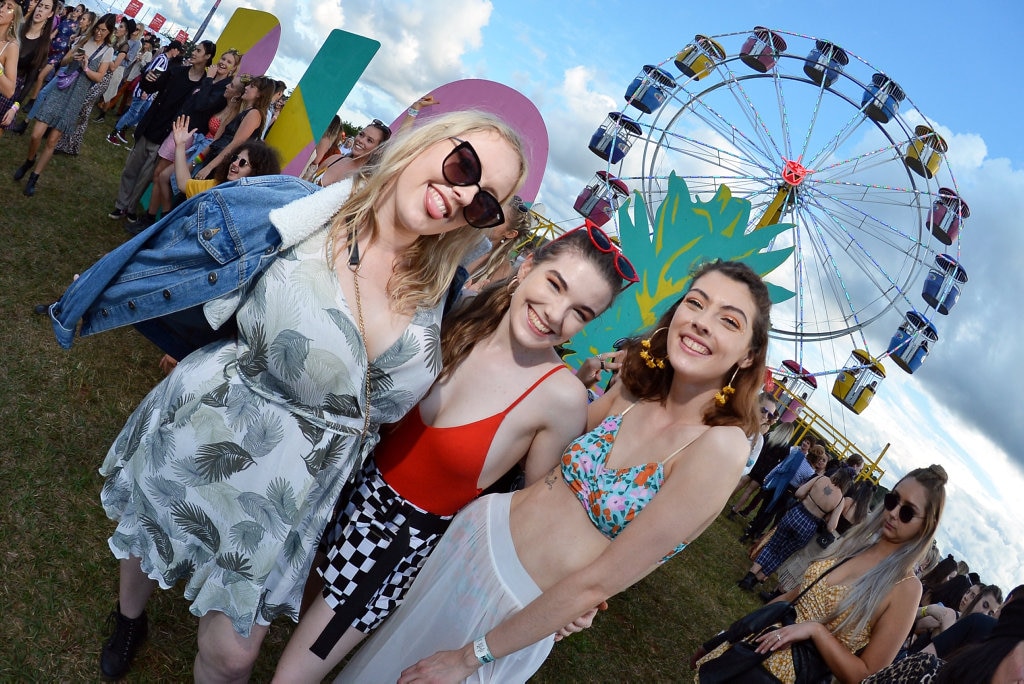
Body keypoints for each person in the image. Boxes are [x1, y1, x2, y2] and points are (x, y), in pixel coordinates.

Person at [95, 111, 527, 682]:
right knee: (151, 536)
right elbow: (193, 262)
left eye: (483, 201)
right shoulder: (299, 211)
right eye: (463, 164)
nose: (461, 192)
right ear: (426, 142)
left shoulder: (440, 286)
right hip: (212, 419)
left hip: (296, 487)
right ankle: (130, 618)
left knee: (233, 655)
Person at [335, 259, 773, 683]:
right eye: (695, 303)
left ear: (750, 356)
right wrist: (578, 380)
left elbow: (602, 580)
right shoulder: (635, 395)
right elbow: (553, 439)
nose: (701, 321)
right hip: (469, 541)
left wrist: (471, 657)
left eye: (729, 321)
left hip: (512, 613)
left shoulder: (719, 445)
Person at [272, 225, 635, 681]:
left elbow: (539, 511)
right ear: (527, 267)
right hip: (339, 491)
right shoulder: (458, 316)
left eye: (580, 312)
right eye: (554, 284)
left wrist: (567, 598)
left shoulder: (559, 398)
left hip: (389, 546)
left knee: (292, 674)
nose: (555, 314)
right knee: (295, 627)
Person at [696, 464, 948, 683]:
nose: (893, 513)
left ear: (926, 525)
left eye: (907, 512)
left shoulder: (906, 587)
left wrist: (816, 631)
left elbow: (867, 674)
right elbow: (791, 597)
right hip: (751, 649)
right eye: (893, 500)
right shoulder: (856, 544)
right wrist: (730, 635)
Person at [107, 39, 220, 225]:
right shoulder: (176, 71)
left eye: (198, 50)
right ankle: (121, 205)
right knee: (132, 168)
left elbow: (202, 107)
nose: (193, 52)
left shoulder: (204, 84)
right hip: (151, 126)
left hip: (168, 136)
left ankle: (131, 208)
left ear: (207, 56)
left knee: (146, 176)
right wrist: (147, 78)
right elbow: (151, 86)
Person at [11, 12, 114, 196]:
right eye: (98, 28)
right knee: (36, 135)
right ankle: (29, 160)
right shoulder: (83, 39)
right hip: (61, 89)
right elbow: (63, 60)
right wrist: (73, 57)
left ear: (109, 32)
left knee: (51, 141)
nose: (99, 33)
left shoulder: (108, 51)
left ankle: (34, 177)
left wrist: (86, 67)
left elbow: (99, 78)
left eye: (103, 31)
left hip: (77, 97)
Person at [862, 588, 1024, 683]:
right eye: (984, 605)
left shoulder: (980, 633)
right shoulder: (950, 614)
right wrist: (928, 611)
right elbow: (909, 627)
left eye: (990, 611)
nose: (985, 613)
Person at [737, 467, 852, 591]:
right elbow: (831, 527)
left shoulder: (820, 479)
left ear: (837, 473)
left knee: (772, 545)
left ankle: (748, 577)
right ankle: (754, 581)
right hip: (809, 526)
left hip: (797, 513)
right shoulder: (840, 500)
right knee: (782, 555)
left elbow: (799, 493)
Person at [169, 114, 281, 199]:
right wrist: (180, 145)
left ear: (258, 172)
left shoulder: (249, 207)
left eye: (242, 163)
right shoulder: (218, 185)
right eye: (234, 158)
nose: (234, 163)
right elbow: (184, 184)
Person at [309, 117, 392, 188]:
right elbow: (307, 184)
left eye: (369, 140)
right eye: (361, 134)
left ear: (378, 150)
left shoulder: (367, 182)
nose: (360, 140)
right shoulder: (334, 159)